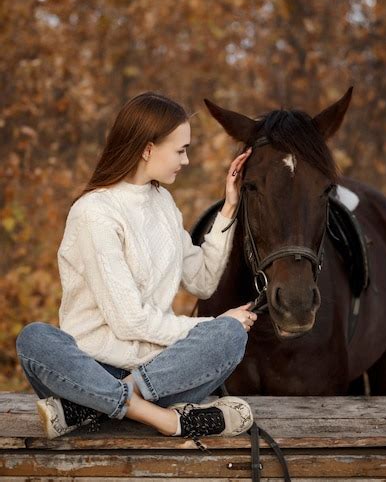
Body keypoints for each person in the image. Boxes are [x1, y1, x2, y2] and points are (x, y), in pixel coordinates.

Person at [15, 91, 257, 448]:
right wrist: (210, 324)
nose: (186, 160)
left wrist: (229, 207)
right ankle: (163, 419)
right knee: (35, 339)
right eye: (180, 150)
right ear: (147, 149)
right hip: (89, 368)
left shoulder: (163, 203)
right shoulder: (95, 212)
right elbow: (128, 321)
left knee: (231, 336)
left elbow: (202, 281)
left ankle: (89, 408)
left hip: (156, 374)